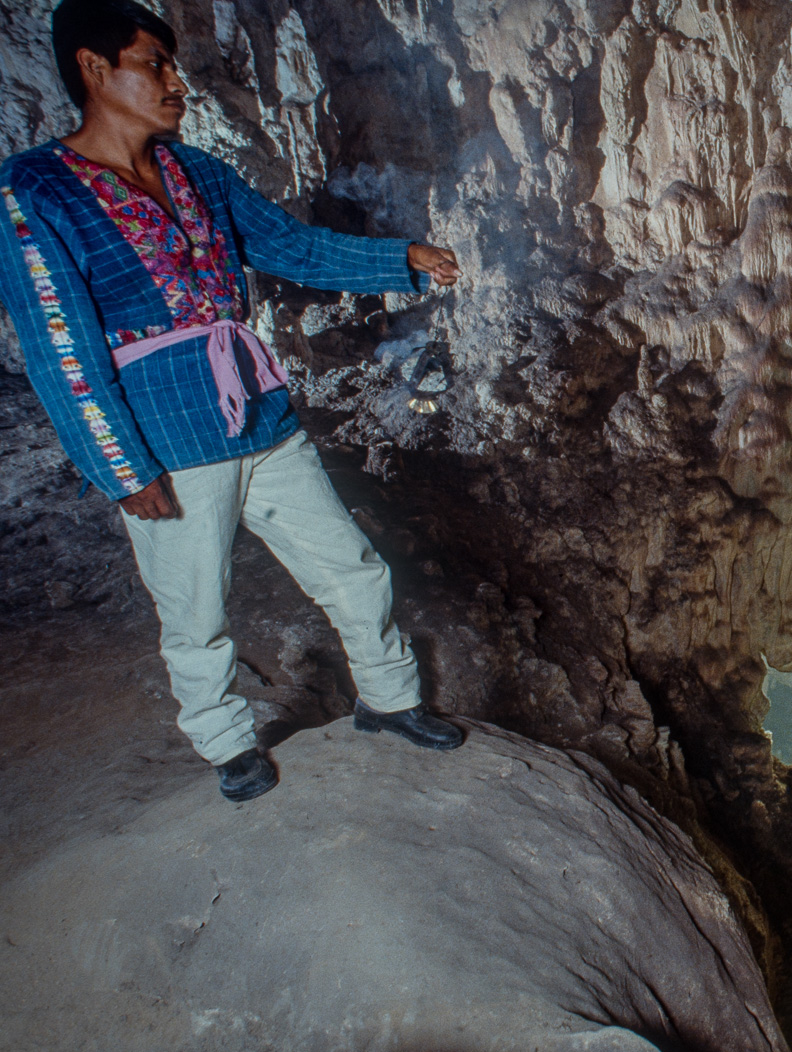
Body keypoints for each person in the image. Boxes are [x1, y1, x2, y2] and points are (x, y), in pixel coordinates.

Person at [0, 0, 466, 803]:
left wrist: (403, 261)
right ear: (93, 67)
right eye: (156, 63)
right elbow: (57, 343)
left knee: (352, 570)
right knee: (195, 607)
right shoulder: (37, 189)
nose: (177, 83)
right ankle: (225, 741)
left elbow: (291, 246)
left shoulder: (196, 172)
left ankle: (389, 701)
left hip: (261, 414)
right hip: (166, 438)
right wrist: (119, 466)